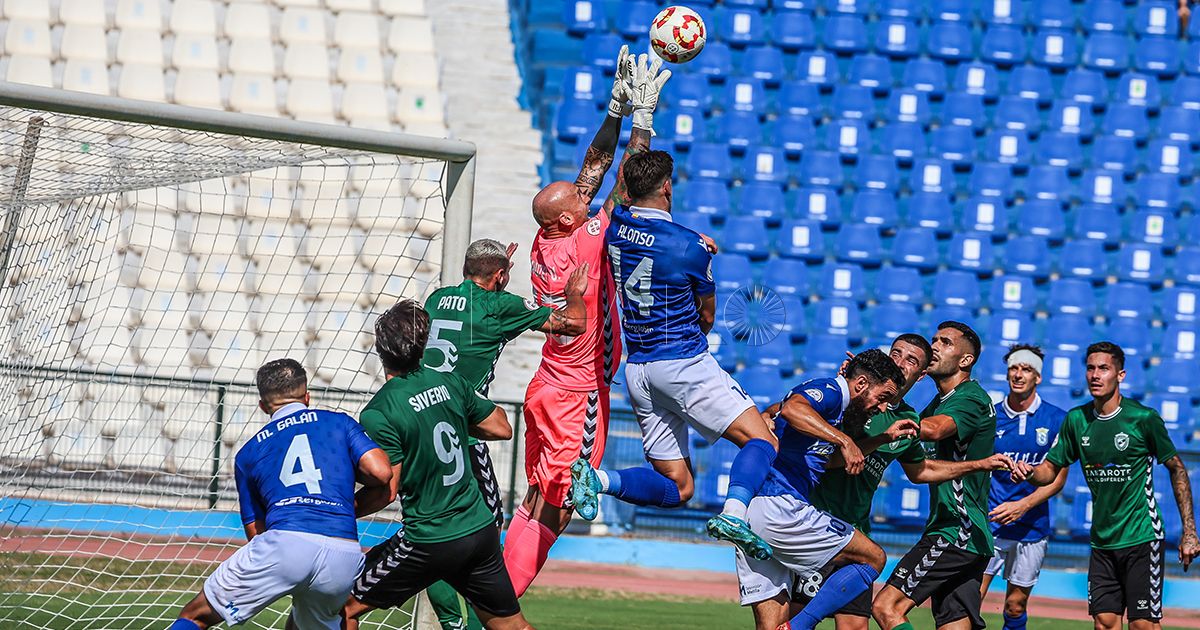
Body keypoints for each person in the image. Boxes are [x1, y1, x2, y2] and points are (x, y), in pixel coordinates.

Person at [570, 117, 782, 560]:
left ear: (626, 189)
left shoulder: (613, 227)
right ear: (667, 188)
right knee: (763, 441)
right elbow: (706, 313)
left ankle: (599, 480)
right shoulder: (690, 246)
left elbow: (627, 197)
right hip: (682, 362)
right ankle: (735, 515)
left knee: (679, 486)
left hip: (639, 371)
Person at [504, 45, 643, 594]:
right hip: (577, 394)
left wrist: (613, 110)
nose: (588, 199)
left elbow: (592, 173)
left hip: (548, 382)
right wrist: (643, 119)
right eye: (580, 203)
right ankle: (503, 600)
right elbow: (627, 183)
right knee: (560, 507)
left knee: (536, 499)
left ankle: (494, 589)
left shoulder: (548, 238)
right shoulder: (587, 242)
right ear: (570, 217)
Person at [799, 335, 1017, 630]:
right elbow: (792, 412)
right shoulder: (857, 397)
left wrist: (979, 464)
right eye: (896, 354)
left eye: (912, 360)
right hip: (816, 525)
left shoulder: (921, 414)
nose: (900, 362)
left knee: (880, 610)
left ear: (922, 373)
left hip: (922, 530)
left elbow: (923, 464)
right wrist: (850, 384)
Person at [422, 238, 587, 627]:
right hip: (463, 432)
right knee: (485, 534)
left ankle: (452, 623)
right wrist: (574, 295)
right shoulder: (500, 306)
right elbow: (573, 325)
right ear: (499, 275)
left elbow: (470, 313)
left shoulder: (436, 299)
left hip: (423, 424)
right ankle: (485, 622)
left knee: (432, 531)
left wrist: (498, 279)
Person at [344, 300, 535, 630]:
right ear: (422, 347)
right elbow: (502, 428)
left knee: (341, 606)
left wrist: (336, 509)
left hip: (431, 538)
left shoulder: (380, 411)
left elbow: (386, 493)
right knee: (512, 626)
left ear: (380, 352)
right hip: (478, 529)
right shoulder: (452, 383)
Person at [168, 359, 393, 630]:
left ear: (263, 406)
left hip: (287, 542)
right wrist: (338, 504)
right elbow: (381, 473)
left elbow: (256, 533)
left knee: (195, 616)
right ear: (307, 397)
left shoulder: (249, 453)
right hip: (343, 551)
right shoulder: (339, 423)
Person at [1010, 342, 1200, 630]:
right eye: (1090, 368)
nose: (1095, 375)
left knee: (1142, 625)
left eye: (1104, 369)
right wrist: (1030, 473)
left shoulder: (1143, 419)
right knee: (1105, 623)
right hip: (1102, 541)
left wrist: (1189, 532)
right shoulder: (1076, 419)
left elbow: (1177, 468)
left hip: (1141, 535)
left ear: (1120, 375)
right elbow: (1049, 470)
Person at [737, 349, 917, 630]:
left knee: (771, 626)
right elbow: (793, 408)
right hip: (779, 507)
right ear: (860, 385)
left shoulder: (836, 411)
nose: (882, 408)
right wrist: (844, 440)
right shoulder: (832, 390)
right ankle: (800, 627)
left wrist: (879, 439)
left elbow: (827, 459)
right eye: (882, 398)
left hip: (755, 515)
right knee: (873, 557)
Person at [873, 321, 997, 630]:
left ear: (966, 361)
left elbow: (935, 428)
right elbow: (917, 468)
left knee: (886, 607)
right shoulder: (935, 403)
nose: (935, 347)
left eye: (945, 342)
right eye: (934, 340)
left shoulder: (971, 397)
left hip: (956, 530)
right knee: (954, 625)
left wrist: (880, 407)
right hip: (969, 536)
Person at [978, 344, 1068, 630]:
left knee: (1015, 607)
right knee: (970, 599)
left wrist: (1023, 506)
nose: (1018, 375)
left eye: (1026, 369)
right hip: (990, 524)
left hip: (1031, 526)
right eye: (1013, 369)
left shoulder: (1057, 420)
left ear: (1038, 377)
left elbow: (1058, 480)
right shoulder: (989, 418)